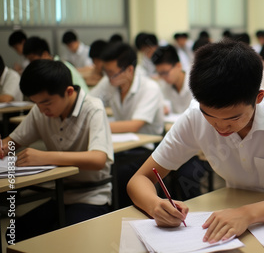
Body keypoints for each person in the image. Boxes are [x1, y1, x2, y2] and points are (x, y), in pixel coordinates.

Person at [127, 40, 264, 244]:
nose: (221, 127)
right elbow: (139, 180)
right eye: (210, 116)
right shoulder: (195, 116)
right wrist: (155, 204)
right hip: (233, 222)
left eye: (234, 118)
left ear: (258, 97)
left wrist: (246, 214)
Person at [1, 59, 113, 241]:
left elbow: (98, 159)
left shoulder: (93, 108)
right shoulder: (41, 110)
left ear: (68, 92)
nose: (42, 110)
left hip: (91, 195)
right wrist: (3, 148)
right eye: (36, 103)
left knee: (63, 240)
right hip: (59, 194)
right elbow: (13, 142)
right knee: (15, 234)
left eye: (46, 103)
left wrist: (46, 157)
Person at [90, 42, 164, 208]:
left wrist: (98, 125)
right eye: (106, 73)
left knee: (120, 173)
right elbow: (89, 102)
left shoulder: (149, 88)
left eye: (112, 74)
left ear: (129, 70)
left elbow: (134, 125)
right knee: (97, 167)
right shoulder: (110, 82)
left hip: (147, 149)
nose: (109, 78)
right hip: (121, 145)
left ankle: (124, 212)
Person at [152, 45, 208, 199]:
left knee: (186, 175)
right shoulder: (163, 87)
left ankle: (191, 211)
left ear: (178, 66)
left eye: (165, 72)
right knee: (158, 173)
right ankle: (166, 206)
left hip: (198, 150)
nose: (163, 77)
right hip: (176, 141)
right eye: (159, 73)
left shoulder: (198, 82)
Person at [22, 36, 89, 93]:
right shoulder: (54, 66)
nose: (31, 64)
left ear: (45, 55)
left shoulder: (58, 69)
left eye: (32, 60)